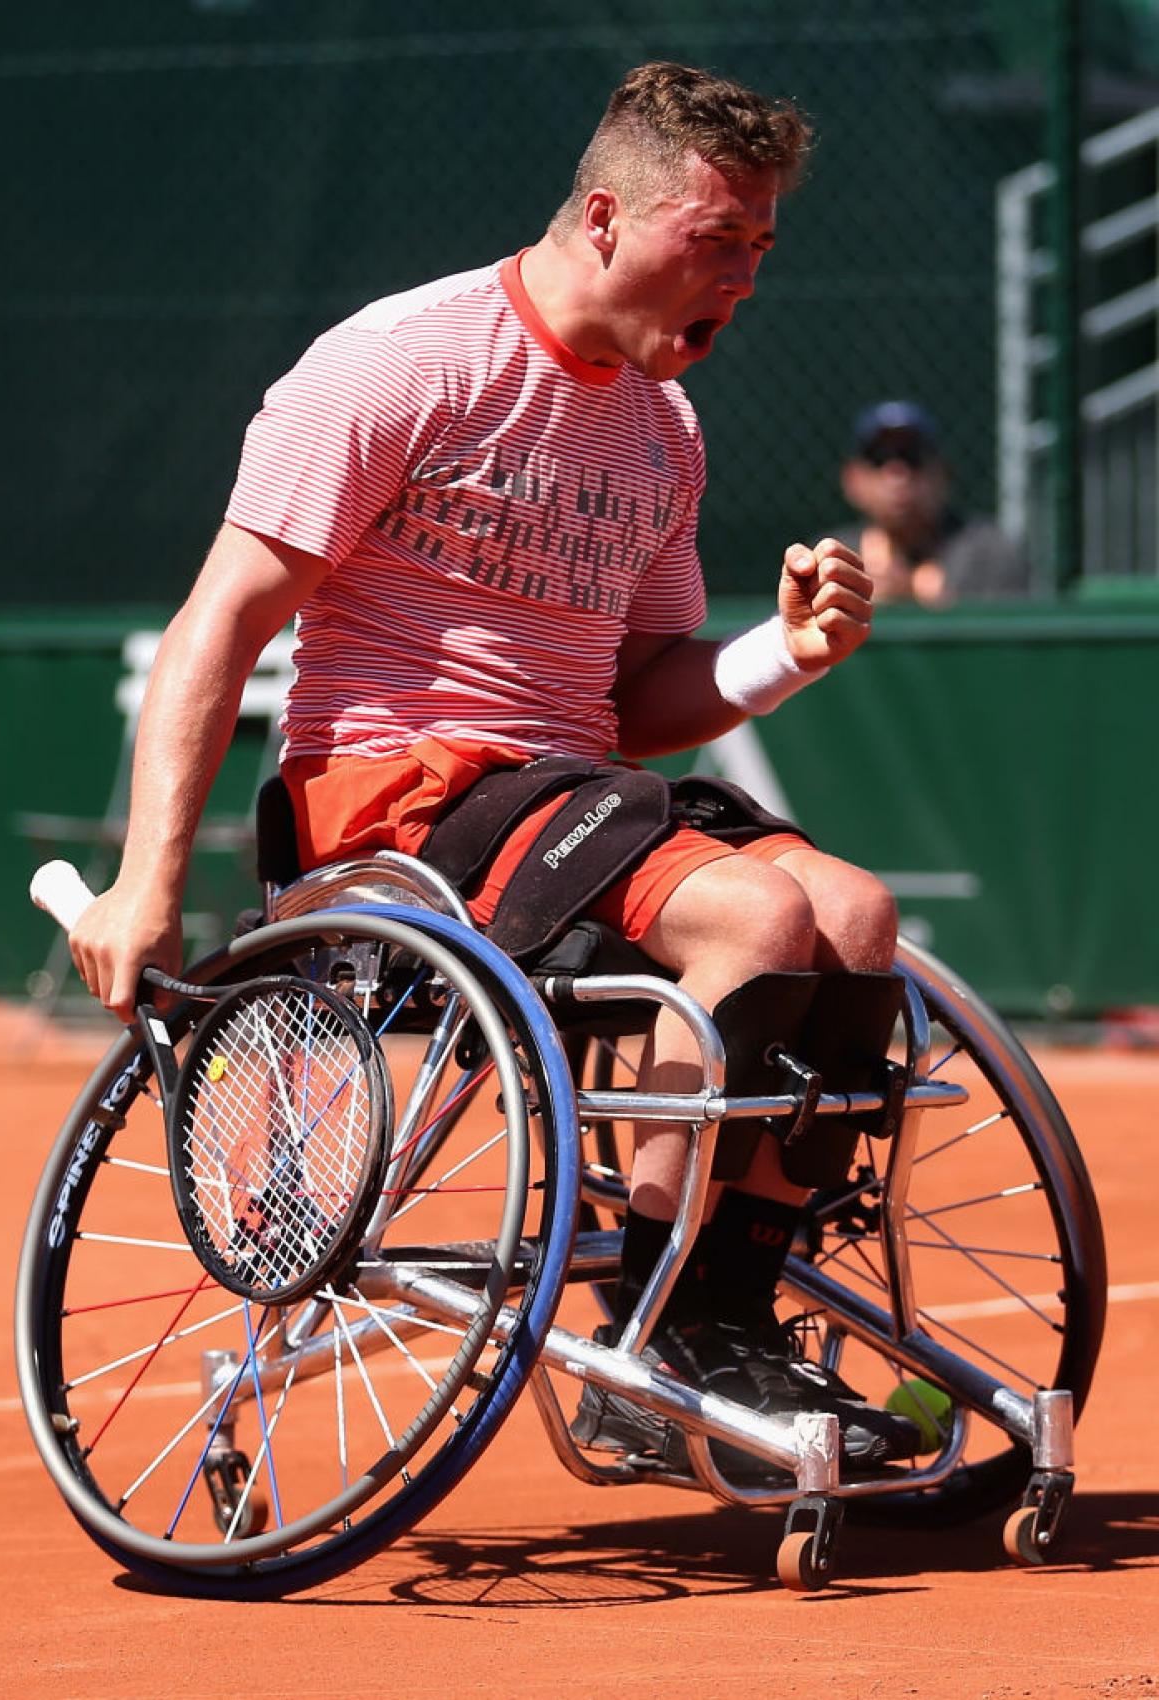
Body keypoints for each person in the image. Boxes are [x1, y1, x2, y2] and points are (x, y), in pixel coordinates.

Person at [68, 61, 918, 1475]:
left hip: (575, 792)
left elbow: (643, 701)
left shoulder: (664, 428)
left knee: (859, 918)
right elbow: (219, 619)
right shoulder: (403, 360)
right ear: (603, 219)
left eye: (762, 250)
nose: (746, 282)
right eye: (719, 243)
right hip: (392, 799)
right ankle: (647, 1339)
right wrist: (143, 881)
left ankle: (714, 1321)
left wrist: (787, 653)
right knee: (754, 919)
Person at [837, 400, 1032, 606]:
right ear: (852, 479)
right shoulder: (836, 556)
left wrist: (922, 596)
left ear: (943, 473)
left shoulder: (989, 552)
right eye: (878, 459)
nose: (897, 475)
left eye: (912, 457)